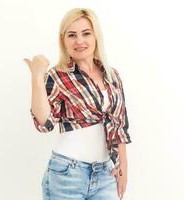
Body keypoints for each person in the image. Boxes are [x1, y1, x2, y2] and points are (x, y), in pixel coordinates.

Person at [23, 8, 132, 200]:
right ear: (63, 40)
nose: (79, 41)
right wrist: (37, 77)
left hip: (106, 174)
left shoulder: (112, 76)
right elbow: (44, 123)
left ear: (96, 36)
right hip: (67, 175)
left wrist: (123, 167)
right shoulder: (57, 76)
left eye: (86, 33)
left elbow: (120, 125)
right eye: (72, 35)